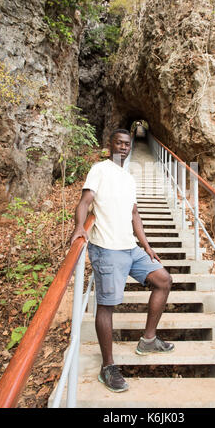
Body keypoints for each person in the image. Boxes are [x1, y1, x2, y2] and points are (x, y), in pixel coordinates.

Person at [70, 128, 174, 393]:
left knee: (163, 280)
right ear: (111, 144)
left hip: (131, 248)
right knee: (107, 305)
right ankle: (108, 367)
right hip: (106, 248)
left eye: (127, 144)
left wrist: (147, 246)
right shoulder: (100, 169)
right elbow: (84, 201)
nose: (124, 147)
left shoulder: (128, 178)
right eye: (119, 143)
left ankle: (148, 340)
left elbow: (135, 214)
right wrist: (79, 227)